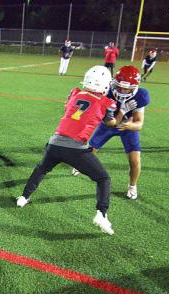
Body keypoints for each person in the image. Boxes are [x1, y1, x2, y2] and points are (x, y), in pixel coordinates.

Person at [16, 66, 138, 235]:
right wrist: (123, 111)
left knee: (41, 169)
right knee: (103, 178)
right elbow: (111, 124)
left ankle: (23, 198)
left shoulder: (75, 93)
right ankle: (101, 214)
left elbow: (69, 110)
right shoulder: (106, 102)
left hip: (54, 142)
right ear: (104, 85)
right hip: (76, 148)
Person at [83, 65, 149, 200]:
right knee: (90, 152)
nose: (123, 91)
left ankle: (132, 186)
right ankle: (80, 167)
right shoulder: (107, 92)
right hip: (108, 125)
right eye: (120, 87)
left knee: (135, 160)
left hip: (127, 128)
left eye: (127, 88)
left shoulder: (141, 95)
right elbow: (109, 122)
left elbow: (139, 123)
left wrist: (131, 125)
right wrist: (123, 112)